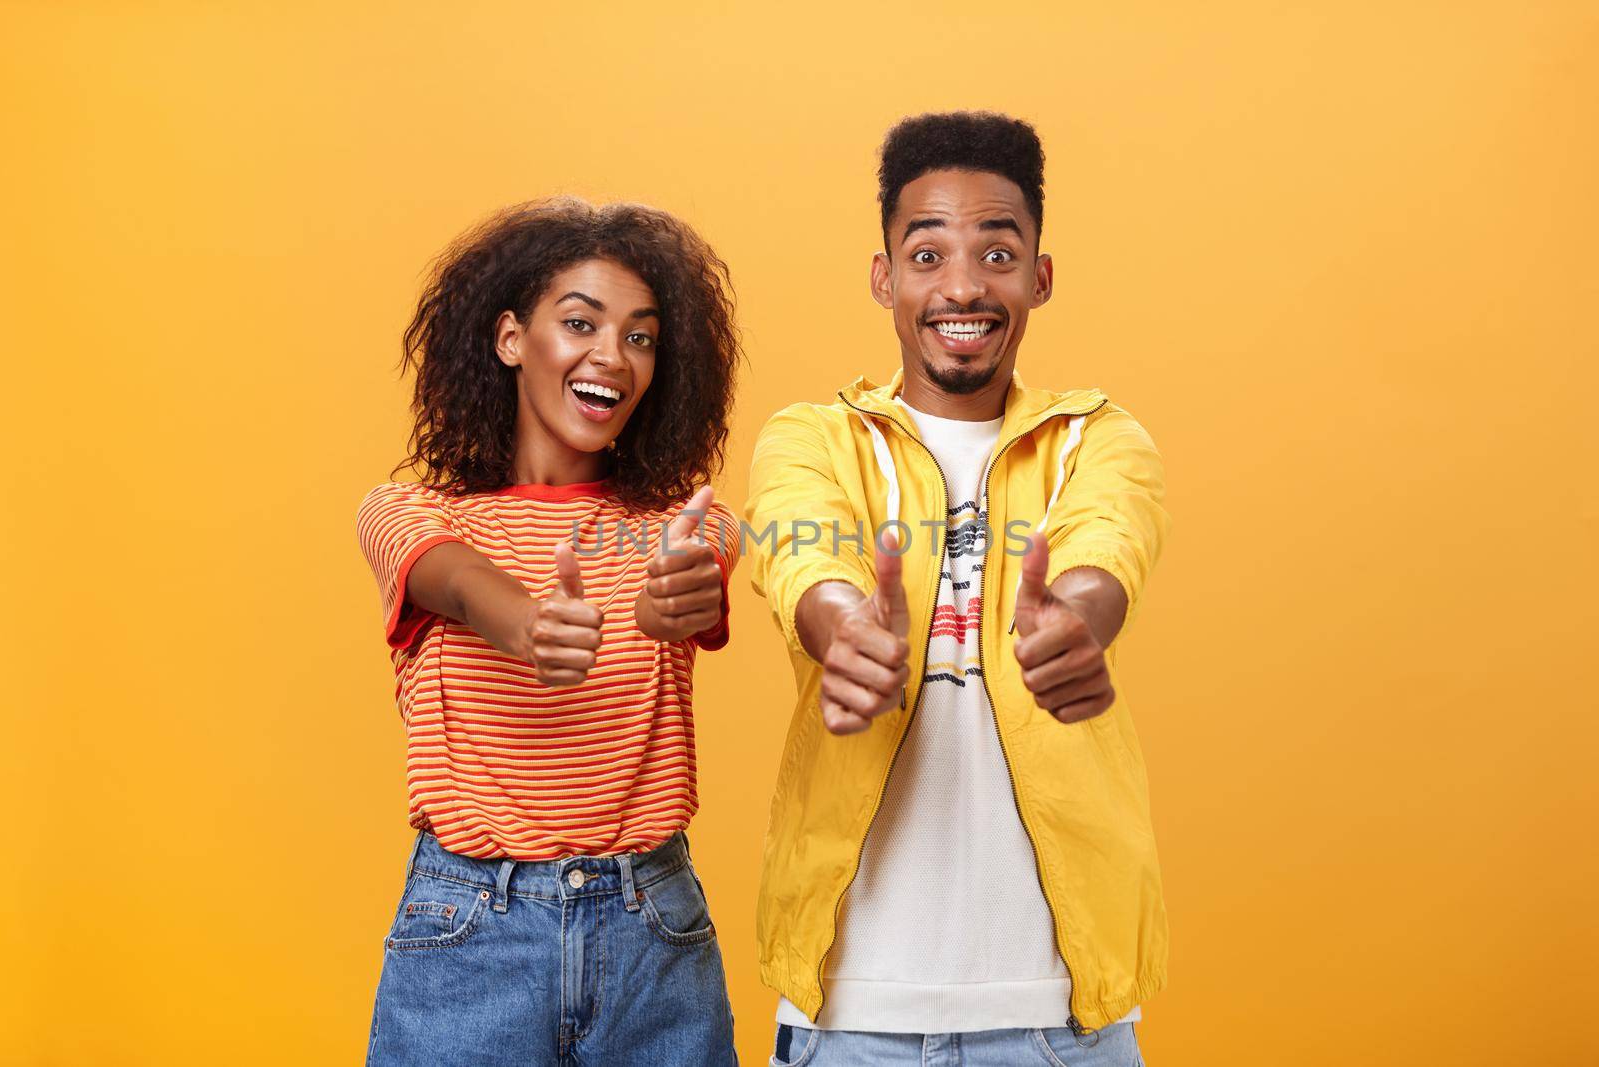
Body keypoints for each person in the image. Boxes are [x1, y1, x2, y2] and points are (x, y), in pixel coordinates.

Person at [746, 112, 1169, 1066]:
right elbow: (799, 554)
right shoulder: (814, 440)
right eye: (927, 253)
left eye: (998, 252)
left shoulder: (1098, 441)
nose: (964, 286)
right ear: (884, 277)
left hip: (1064, 1023)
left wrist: (1083, 619)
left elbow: (1113, 541)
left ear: (1040, 279)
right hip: (848, 1019)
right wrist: (842, 628)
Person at [356, 199, 741, 1067]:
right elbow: (451, 578)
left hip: (654, 931)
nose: (613, 355)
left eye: (641, 337)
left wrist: (676, 597)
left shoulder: (686, 527)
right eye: (580, 323)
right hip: (469, 932)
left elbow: (693, 585)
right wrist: (528, 624)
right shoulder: (408, 511)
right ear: (508, 339)